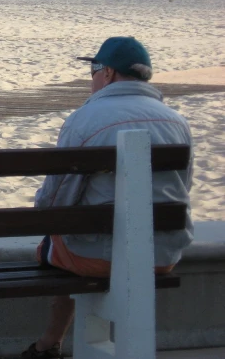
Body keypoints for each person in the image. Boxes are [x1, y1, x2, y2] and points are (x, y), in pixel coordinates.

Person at [22, 37, 193, 359]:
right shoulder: (177, 122)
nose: (91, 78)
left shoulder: (85, 120)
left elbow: (54, 205)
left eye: (92, 70)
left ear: (109, 73)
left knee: (58, 240)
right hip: (163, 256)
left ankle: (50, 343)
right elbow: (184, 188)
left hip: (98, 260)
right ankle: (48, 343)